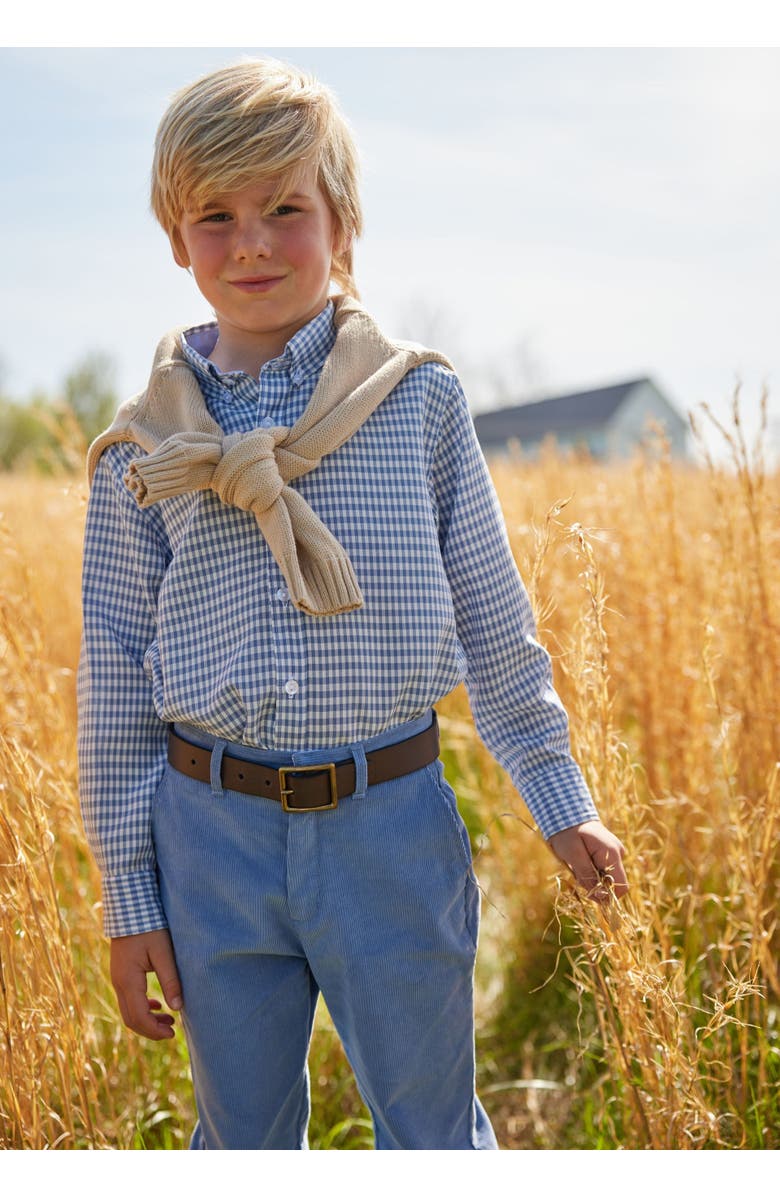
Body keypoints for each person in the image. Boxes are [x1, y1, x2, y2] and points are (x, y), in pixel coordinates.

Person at [77, 56, 628, 1151]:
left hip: (389, 818)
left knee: (427, 1127)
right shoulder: (144, 450)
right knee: (241, 1136)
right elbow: (113, 682)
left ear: (343, 221)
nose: (253, 243)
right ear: (176, 238)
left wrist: (558, 793)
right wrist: (130, 896)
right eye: (216, 215)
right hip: (210, 832)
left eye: (287, 208)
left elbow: (490, 611)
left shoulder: (418, 400)